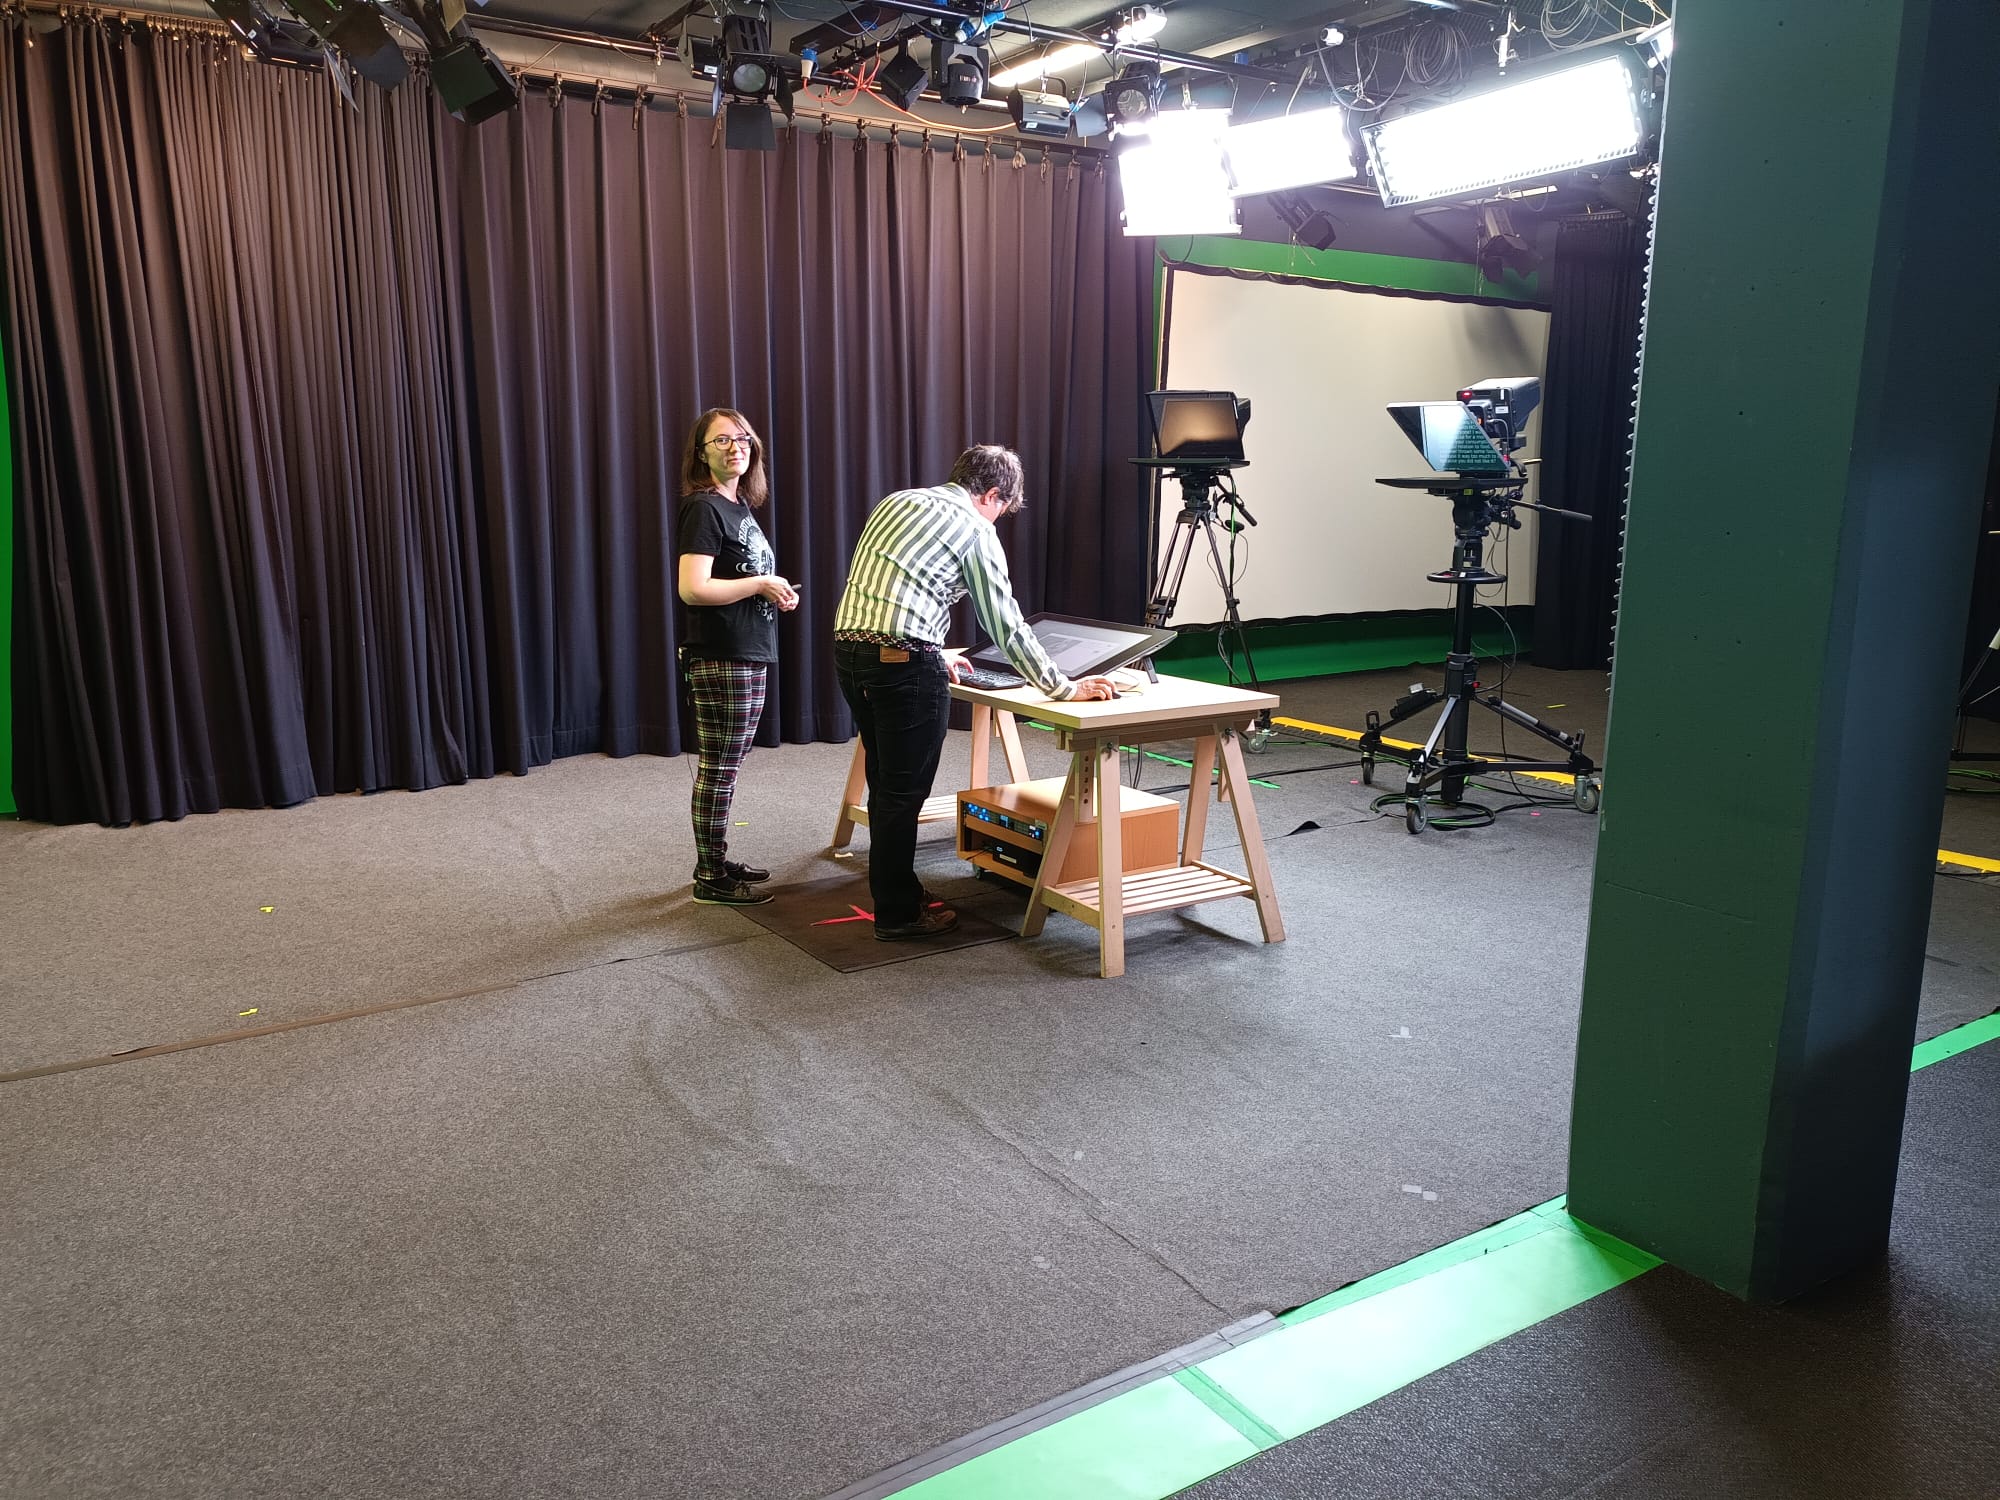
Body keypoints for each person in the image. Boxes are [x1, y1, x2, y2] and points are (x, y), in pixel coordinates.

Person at [833, 444, 1119, 941]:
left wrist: (932, 647)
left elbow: (887, 587)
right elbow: (1004, 623)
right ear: (991, 494)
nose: (997, 520)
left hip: (850, 651)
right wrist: (1062, 687)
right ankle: (897, 913)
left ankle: (896, 889)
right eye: (1001, 510)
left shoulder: (897, 500)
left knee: (886, 782)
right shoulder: (975, 529)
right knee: (903, 792)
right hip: (904, 666)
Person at [676, 407, 799, 906]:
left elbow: (741, 579)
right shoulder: (703, 508)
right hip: (722, 656)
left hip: (746, 653)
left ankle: (715, 858)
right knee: (720, 768)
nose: (736, 448)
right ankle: (710, 875)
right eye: (722, 440)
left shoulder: (738, 507)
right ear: (701, 453)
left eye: (743, 439)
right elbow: (693, 588)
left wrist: (773, 591)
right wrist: (760, 584)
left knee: (726, 765)